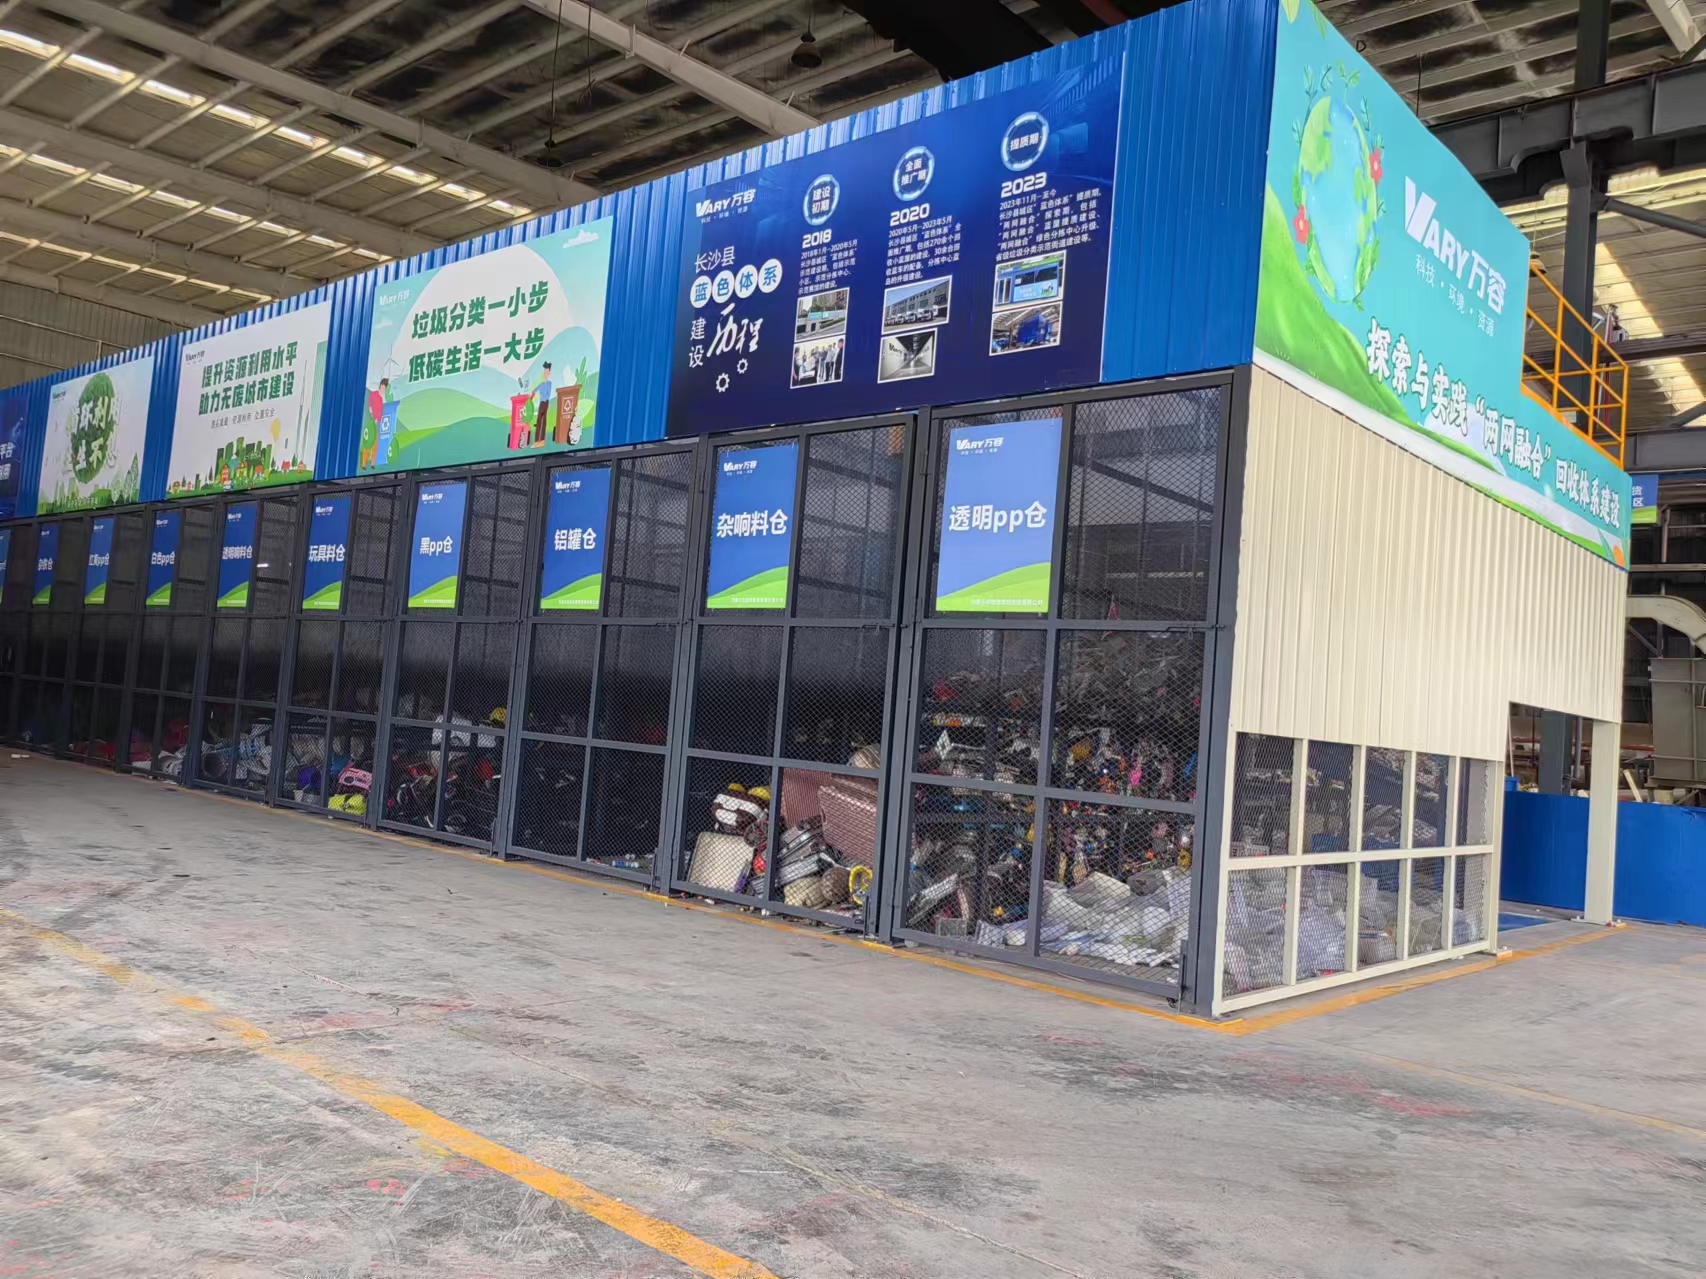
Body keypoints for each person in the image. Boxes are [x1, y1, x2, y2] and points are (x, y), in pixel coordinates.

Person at [531, 363, 553, 446]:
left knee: (543, 420)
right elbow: (534, 390)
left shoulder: (549, 384)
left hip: (545, 402)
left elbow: (548, 394)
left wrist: (544, 398)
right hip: (541, 403)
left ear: (549, 373)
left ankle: (542, 439)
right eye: (544, 372)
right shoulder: (541, 384)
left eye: (547, 372)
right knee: (539, 420)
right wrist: (531, 397)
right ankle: (537, 440)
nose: (545, 374)